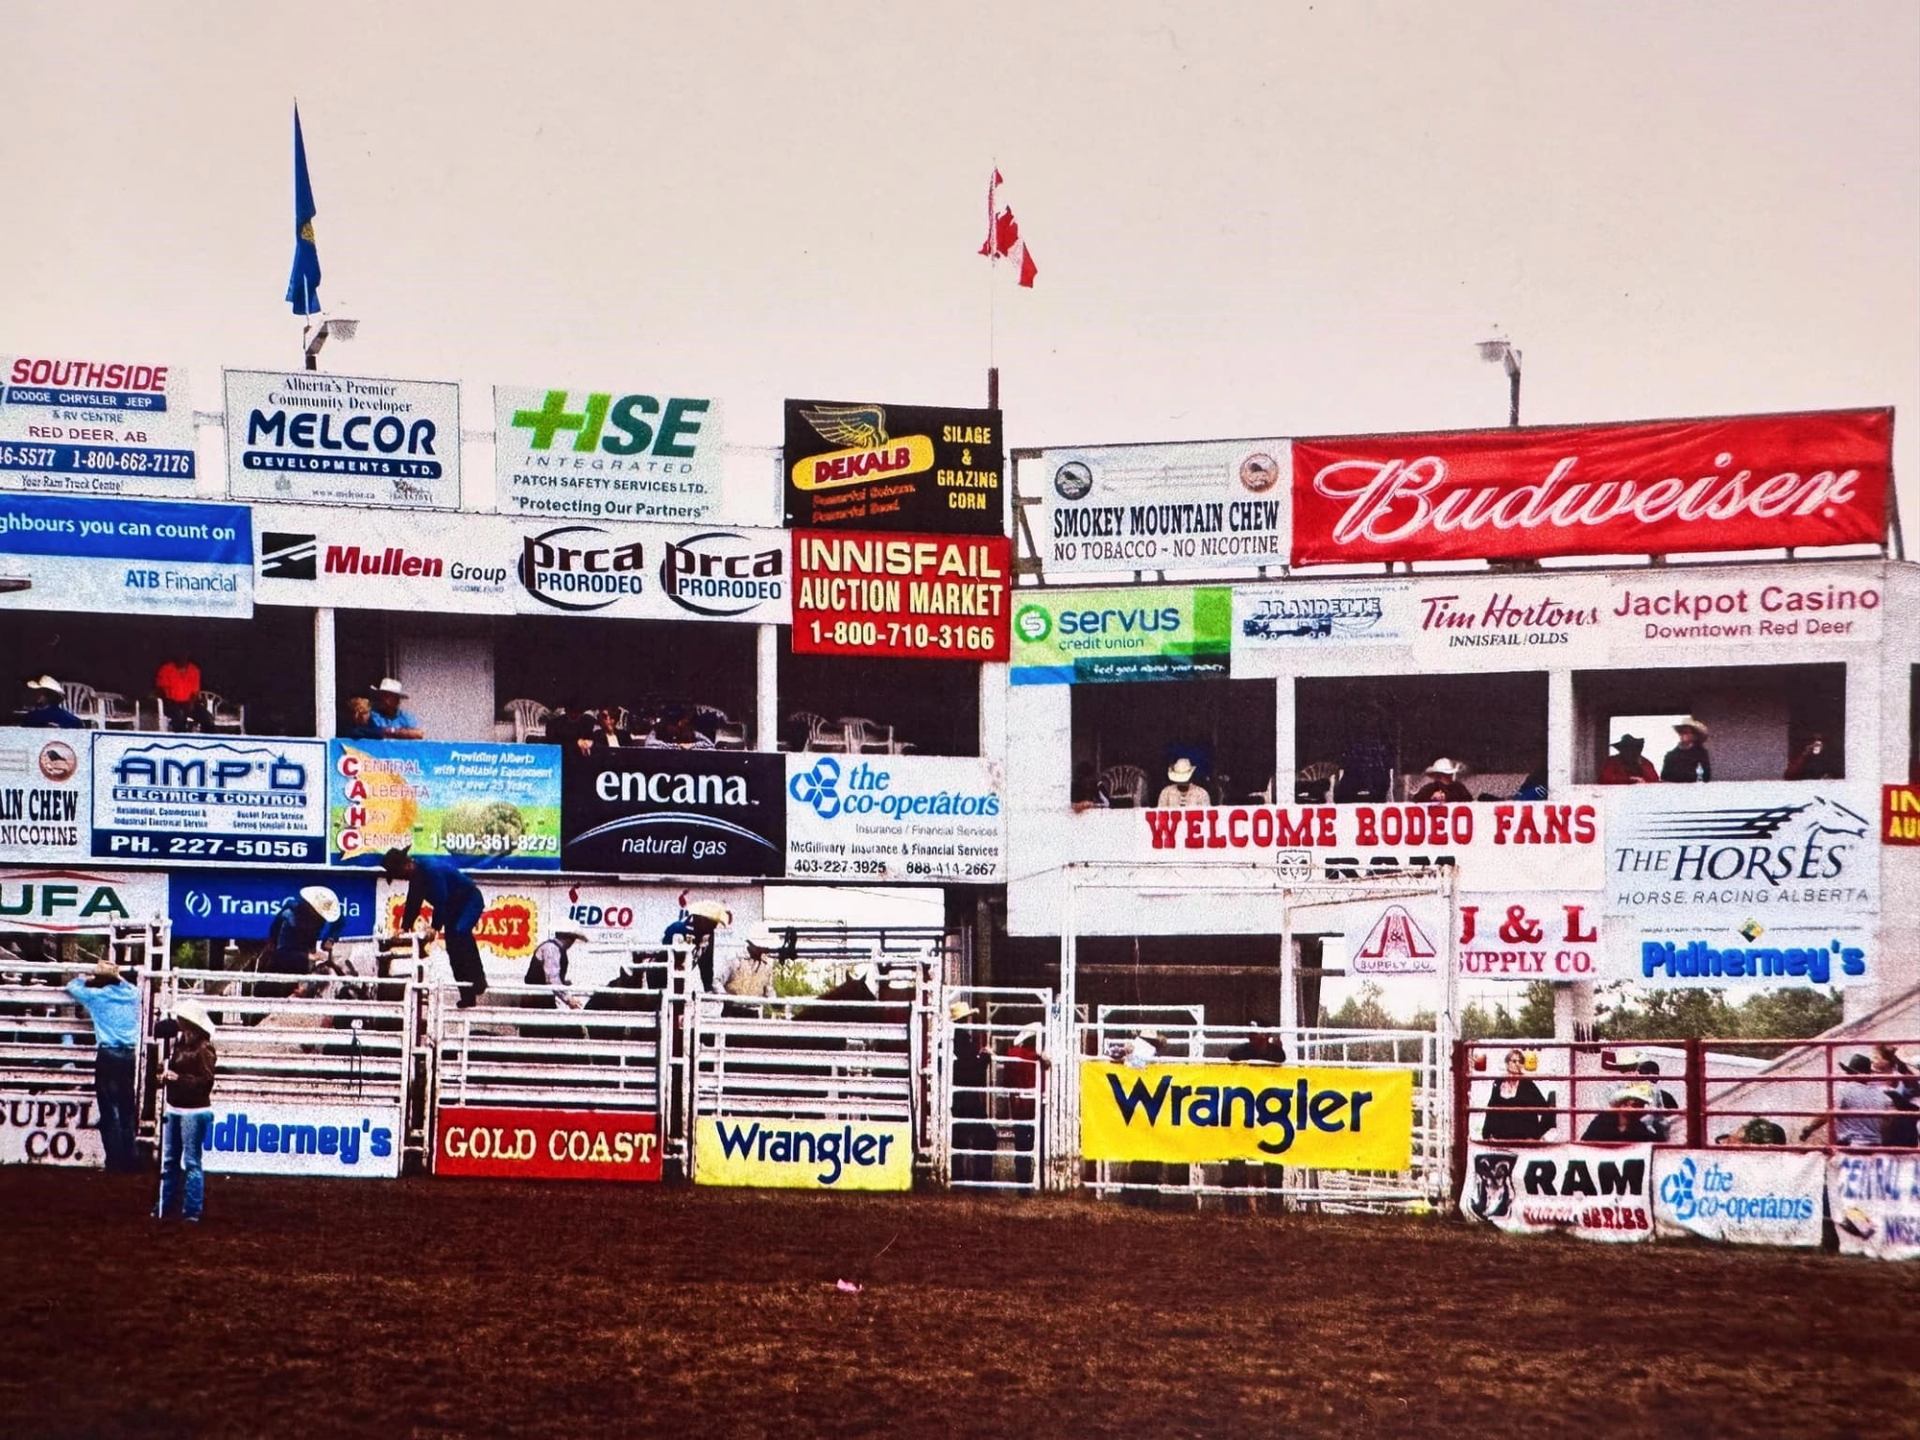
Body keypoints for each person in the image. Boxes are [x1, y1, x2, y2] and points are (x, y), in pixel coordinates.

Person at [384, 847, 488, 1008]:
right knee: (453, 949)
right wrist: (404, 928)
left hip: (470, 900)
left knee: (461, 932)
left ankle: (479, 980)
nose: (402, 879)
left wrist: (435, 927)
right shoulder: (416, 877)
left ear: (406, 866)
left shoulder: (432, 870)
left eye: (399, 875)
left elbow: (441, 900)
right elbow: (413, 903)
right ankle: (467, 996)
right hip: (453, 908)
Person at [63, 959, 141, 1173]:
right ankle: (131, 1158)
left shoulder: (96, 997)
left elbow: (72, 987)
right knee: (126, 1107)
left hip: (108, 1053)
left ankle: (115, 1161)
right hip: (129, 1054)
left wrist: (86, 979)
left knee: (109, 1108)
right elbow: (128, 985)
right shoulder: (132, 994)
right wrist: (116, 977)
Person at [154, 999, 218, 1222]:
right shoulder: (181, 1045)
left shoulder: (203, 1048)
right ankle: (168, 1205)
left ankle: (189, 1210)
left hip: (192, 1109)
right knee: (172, 1160)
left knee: (188, 1161)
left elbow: (206, 1082)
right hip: (180, 1107)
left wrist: (178, 1078)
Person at [260, 885, 344, 999]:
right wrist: (309, 956)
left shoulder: (317, 919)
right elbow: (280, 953)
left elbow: (339, 920)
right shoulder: (289, 918)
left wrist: (330, 938)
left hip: (301, 966)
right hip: (278, 970)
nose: (321, 919)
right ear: (310, 908)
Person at [948, 1001, 995, 1184]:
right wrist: (984, 1058)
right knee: (986, 1135)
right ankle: (982, 1178)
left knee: (958, 1136)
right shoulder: (962, 1040)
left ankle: (957, 1176)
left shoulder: (952, 1040)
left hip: (956, 1095)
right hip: (967, 1097)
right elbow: (972, 1073)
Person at [1798, 1054, 1889, 1147]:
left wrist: (1810, 1128)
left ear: (1850, 1074)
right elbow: (1887, 1122)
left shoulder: (1845, 1090)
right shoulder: (1880, 1094)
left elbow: (1827, 1114)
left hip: (1851, 1145)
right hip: (1876, 1145)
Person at [1002, 1023, 1051, 1187]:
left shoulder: (1014, 1054)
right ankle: (1042, 1180)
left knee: (1022, 1143)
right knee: (1041, 1141)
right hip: (1036, 1103)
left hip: (1019, 1104)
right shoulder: (1037, 1057)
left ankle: (1023, 1182)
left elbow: (1007, 1080)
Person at [1480, 1049, 1555, 1143]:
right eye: (1514, 1061)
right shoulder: (1498, 1083)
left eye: (1521, 1062)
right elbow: (1491, 1109)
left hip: (1523, 1139)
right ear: (1507, 1064)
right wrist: (1487, 1135)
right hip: (1501, 1139)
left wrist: (1536, 1135)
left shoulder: (1528, 1084)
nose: (1518, 1064)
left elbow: (1546, 1110)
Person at [665, 900, 732, 990]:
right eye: (712, 923)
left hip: (681, 977)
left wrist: (708, 987)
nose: (714, 927)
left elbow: (707, 962)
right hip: (662, 972)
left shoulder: (707, 935)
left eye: (715, 924)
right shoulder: (678, 928)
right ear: (702, 919)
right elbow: (663, 955)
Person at [524, 928, 587, 1010]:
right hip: (537, 998)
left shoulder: (554, 948)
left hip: (542, 996)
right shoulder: (552, 949)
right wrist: (569, 999)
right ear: (569, 939)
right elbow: (552, 979)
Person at [1580, 1083, 1664, 1143]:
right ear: (1622, 1105)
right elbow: (1584, 1142)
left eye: (1641, 1105)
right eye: (1635, 1104)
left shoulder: (1639, 1127)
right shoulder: (1602, 1121)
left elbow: (1653, 1143)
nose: (1639, 1109)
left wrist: (1659, 1129)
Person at [153, 654, 215, 733]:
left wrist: (191, 704)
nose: (182, 658)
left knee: (207, 718)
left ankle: (207, 740)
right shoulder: (166, 669)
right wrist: (168, 701)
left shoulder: (194, 670)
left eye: (184, 656)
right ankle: (181, 740)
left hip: (189, 702)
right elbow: (160, 689)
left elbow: (195, 691)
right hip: (171, 702)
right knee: (179, 717)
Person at [1872, 1044, 1918, 1147]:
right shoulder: (1873, 1077)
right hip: (1884, 1126)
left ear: (1887, 1061)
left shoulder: (1902, 1078)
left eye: (1876, 1057)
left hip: (1901, 1125)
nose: (1872, 1060)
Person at [1660, 717, 1711, 783]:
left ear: (1694, 735)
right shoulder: (1671, 755)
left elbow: (1706, 776)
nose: (1682, 734)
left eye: (1686, 732)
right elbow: (1664, 777)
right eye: (1680, 732)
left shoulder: (1701, 754)